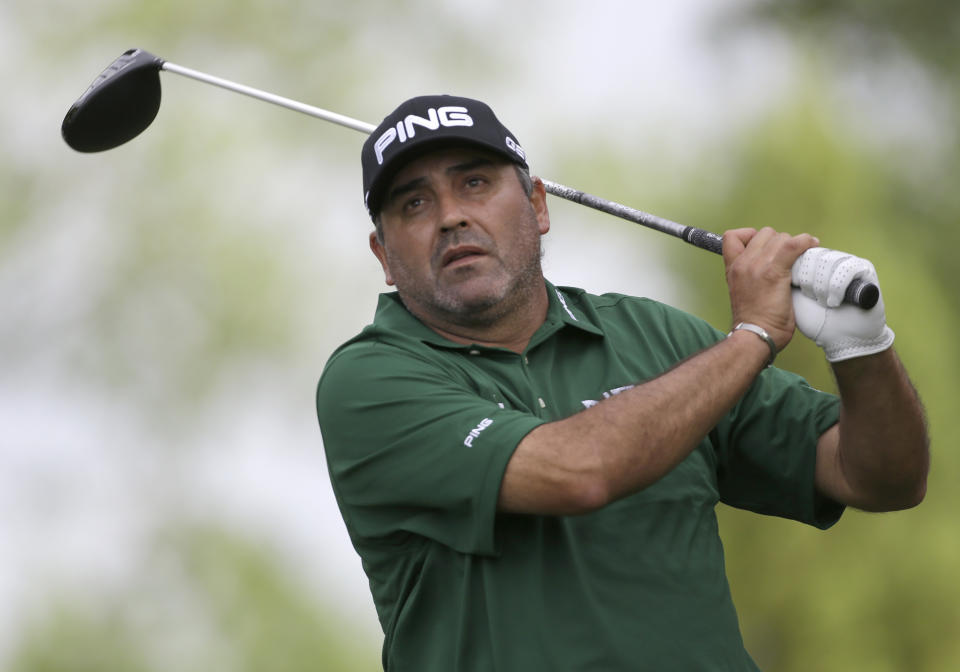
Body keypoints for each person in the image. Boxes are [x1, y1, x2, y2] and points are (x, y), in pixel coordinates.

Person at [316, 94, 929, 671]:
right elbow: (579, 471)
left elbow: (879, 476)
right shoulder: (369, 380)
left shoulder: (655, 336)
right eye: (413, 204)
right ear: (384, 255)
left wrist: (861, 346)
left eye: (474, 182)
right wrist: (755, 336)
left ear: (536, 205)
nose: (451, 216)